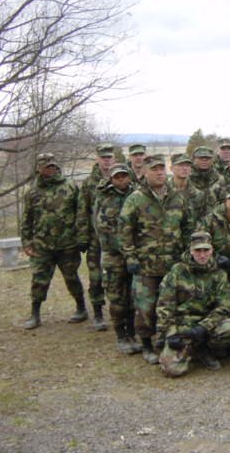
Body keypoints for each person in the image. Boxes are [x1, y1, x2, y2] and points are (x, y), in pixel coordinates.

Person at [119, 154, 192, 364]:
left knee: (171, 304)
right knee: (145, 307)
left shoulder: (177, 197)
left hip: (173, 264)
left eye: (162, 169)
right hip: (145, 265)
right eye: (155, 169)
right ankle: (147, 345)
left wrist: (186, 254)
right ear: (146, 172)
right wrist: (130, 257)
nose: (160, 173)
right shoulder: (136, 198)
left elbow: (186, 227)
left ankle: (167, 341)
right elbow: (124, 230)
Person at [155, 231, 230, 377]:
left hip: (206, 324)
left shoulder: (219, 274)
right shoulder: (177, 271)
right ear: (190, 251)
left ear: (212, 250)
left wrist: (203, 327)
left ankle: (206, 350)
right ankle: (190, 349)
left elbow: (223, 307)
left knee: (229, 328)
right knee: (172, 370)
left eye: (206, 250)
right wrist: (168, 332)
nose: (202, 255)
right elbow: (164, 305)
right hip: (182, 324)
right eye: (198, 250)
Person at [21, 153, 87, 328]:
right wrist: (27, 243)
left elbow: (81, 214)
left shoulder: (70, 187)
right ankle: (35, 314)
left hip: (68, 244)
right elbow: (27, 219)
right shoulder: (32, 191)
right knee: (39, 280)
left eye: (52, 165)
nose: (50, 168)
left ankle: (81, 308)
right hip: (42, 245)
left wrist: (82, 237)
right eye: (46, 166)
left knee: (72, 278)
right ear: (39, 168)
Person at [93, 164, 142, 354]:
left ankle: (131, 333)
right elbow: (102, 229)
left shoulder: (136, 195)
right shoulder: (105, 198)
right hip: (114, 256)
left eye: (124, 176)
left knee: (132, 297)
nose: (121, 180)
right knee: (116, 298)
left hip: (134, 256)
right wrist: (123, 248)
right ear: (111, 179)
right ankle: (120, 335)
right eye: (117, 177)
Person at [77, 143, 115, 330]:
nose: (107, 160)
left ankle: (122, 313)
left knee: (119, 278)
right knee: (96, 277)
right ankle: (98, 313)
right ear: (97, 159)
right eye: (103, 157)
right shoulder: (89, 183)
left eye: (109, 157)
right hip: (95, 239)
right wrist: (82, 236)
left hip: (117, 240)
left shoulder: (123, 178)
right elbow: (82, 211)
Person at [169, 153, 206, 220]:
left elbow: (203, 219)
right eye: (180, 165)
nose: (185, 168)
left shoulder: (198, 194)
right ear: (171, 168)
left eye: (188, 165)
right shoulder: (163, 192)